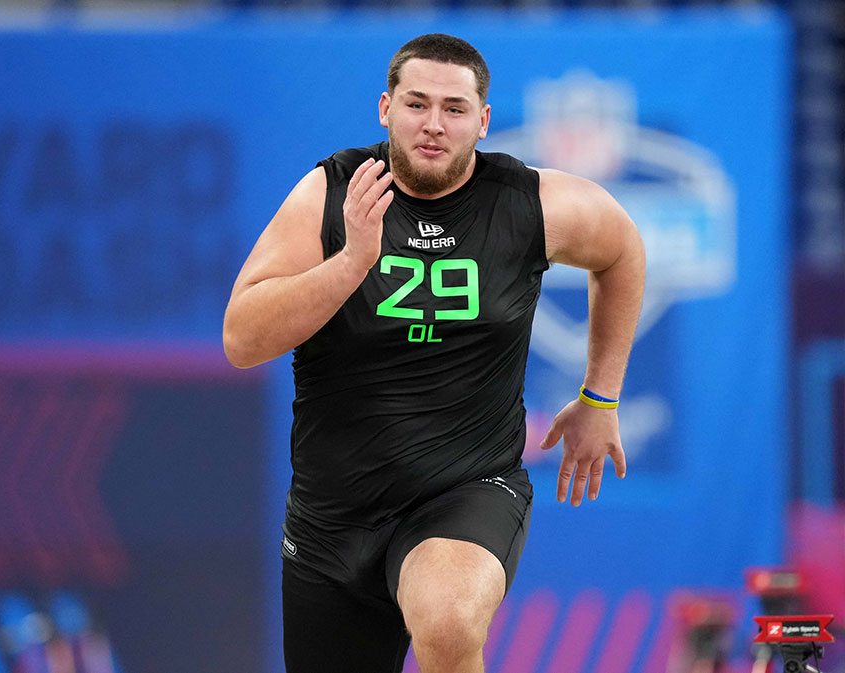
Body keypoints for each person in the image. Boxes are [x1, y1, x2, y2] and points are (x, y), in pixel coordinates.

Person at [222, 34, 645, 673]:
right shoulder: (332, 192)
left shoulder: (528, 202)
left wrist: (600, 395)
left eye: (454, 108)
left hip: (466, 488)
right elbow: (242, 340)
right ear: (386, 109)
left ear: (483, 121)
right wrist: (352, 262)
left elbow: (622, 251)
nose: (434, 125)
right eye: (418, 104)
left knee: (447, 621)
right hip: (332, 515)